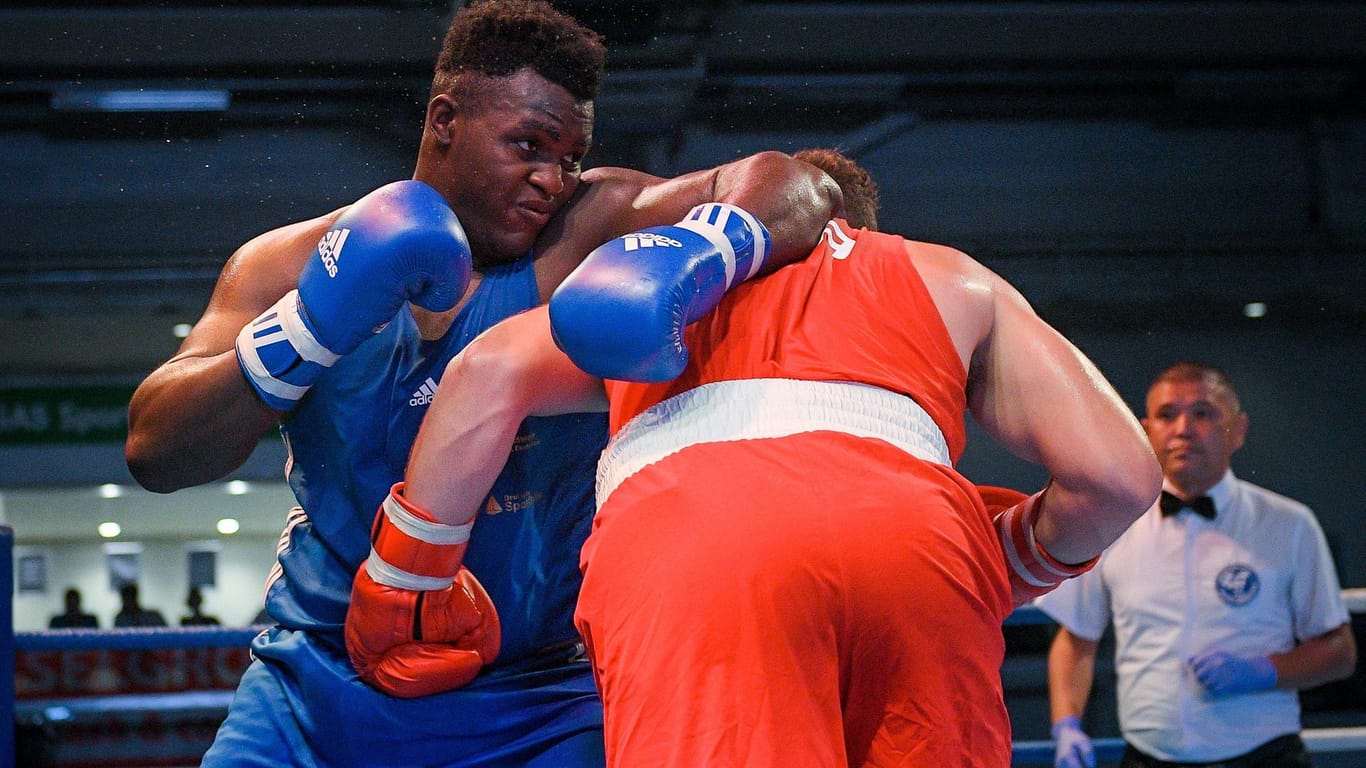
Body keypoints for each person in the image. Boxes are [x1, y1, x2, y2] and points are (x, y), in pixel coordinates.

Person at [122, 1, 836, 765]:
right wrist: (306, 330)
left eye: (568, 156)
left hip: (540, 699)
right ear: (444, 120)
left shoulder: (589, 229)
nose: (550, 179)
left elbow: (798, 187)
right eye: (527, 145)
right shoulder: (290, 266)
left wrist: (704, 252)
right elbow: (155, 451)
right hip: (316, 687)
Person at [378, 148, 1162, 767]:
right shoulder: (947, 273)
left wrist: (408, 577)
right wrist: (1013, 562)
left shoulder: (663, 281)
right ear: (863, 225)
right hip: (919, 545)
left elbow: (486, 373)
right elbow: (1121, 478)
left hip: (694, 550)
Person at [1036, 362, 1357, 768]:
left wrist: (1264, 671)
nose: (1183, 429)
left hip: (1266, 756)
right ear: (1146, 430)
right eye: (1167, 415)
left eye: (1203, 413)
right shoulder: (1113, 523)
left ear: (1237, 430)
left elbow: (1339, 652)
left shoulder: (1289, 525)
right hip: (1148, 758)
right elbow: (1076, 639)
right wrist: (1066, 724)